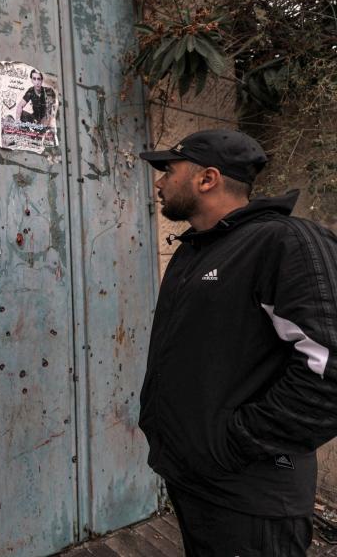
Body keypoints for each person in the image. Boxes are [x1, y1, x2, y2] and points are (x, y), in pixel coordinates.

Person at [138, 129, 337, 556]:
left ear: (207, 179)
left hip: (252, 495)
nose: (158, 183)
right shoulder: (194, 253)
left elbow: (328, 368)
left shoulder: (284, 242)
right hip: (197, 480)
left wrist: (235, 443)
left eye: (168, 171)